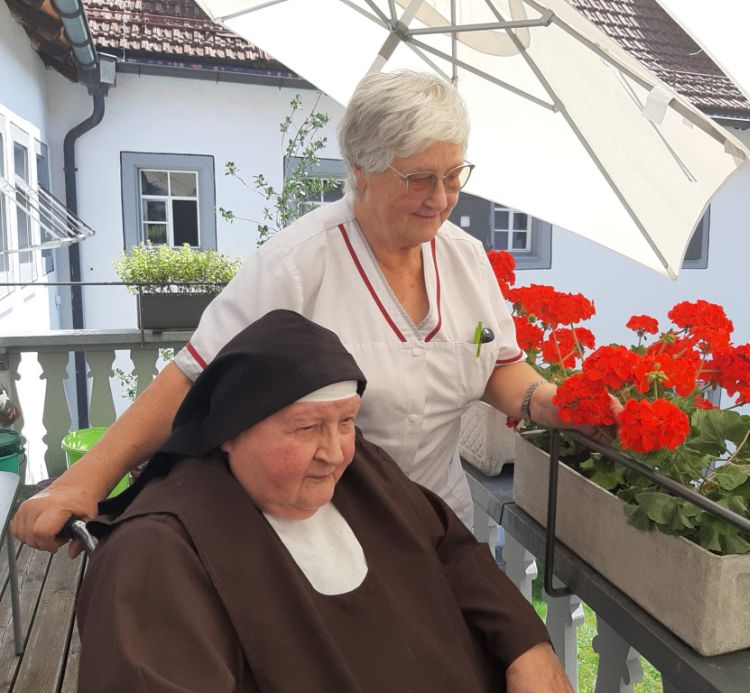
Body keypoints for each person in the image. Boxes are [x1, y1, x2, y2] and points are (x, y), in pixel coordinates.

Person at [15, 69, 617, 551]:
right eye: (419, 178)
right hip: (320, 533)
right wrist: (86, 479)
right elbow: (193, 378)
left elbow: (496, 367)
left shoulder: (466, 260)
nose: (441, 199)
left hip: (439, 523)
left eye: (454, 175)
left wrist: (554, 402)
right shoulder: (295, 265)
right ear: (359, 169)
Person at [76, 310, 571, 692]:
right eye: (307, 427)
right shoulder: (156, 553)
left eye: (347, 421)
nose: (334, 454)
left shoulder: (365, 473)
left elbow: (455, 553)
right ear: (228, 430)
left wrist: (529, 646)